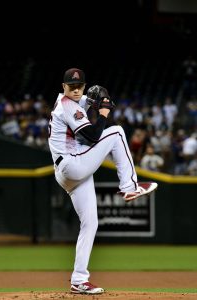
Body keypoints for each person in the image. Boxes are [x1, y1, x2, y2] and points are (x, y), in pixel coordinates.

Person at [48, 67, 158, 295]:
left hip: (69, 172)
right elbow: (92, 135)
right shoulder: (67, 105)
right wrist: (105, 112)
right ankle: (129, 186)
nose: (76, 90)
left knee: (90, 223)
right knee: (116, 133)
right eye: (72, 86)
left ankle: (79, 279)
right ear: (63, 87)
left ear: (84, 86)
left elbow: (97, 100)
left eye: (80, 86)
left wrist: (103, 99)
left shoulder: (78, 99)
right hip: (72, 165)